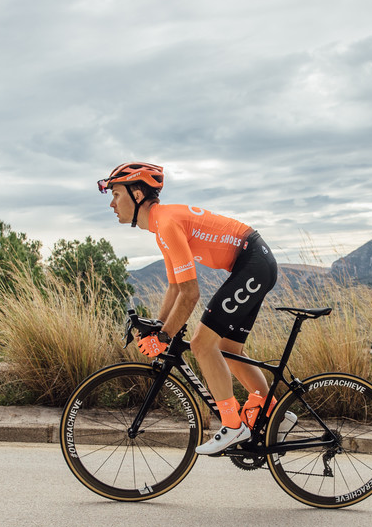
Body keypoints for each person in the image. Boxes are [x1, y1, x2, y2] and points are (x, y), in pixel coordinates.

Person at [99, 161, 291, 455]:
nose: (112, 204)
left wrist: (164, 337)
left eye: (116, 194)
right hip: (255, 262)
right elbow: (175, 286)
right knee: (229, 349)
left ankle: (232, 425)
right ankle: (275, 415)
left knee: (202, 344)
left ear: (137, 194)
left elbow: (191, 293)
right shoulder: (161, 224)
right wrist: (158, 326)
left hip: (253, 263)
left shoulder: (165, 223)